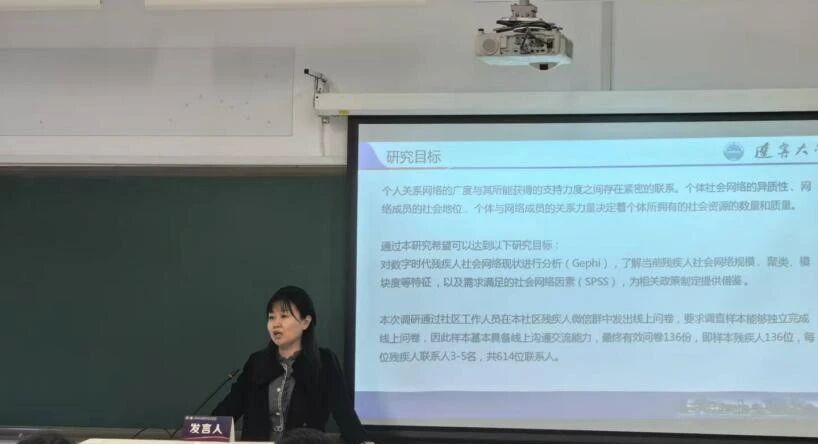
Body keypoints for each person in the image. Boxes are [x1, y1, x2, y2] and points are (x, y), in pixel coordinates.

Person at [212, 285, 373, 444]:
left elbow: (344, 413)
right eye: (271, 317)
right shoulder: (257, 362)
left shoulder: (324, 362)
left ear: (305, 322)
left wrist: (363, 441)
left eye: (284, 316)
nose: (276, 324)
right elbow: (229, 409)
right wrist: (203, 433)